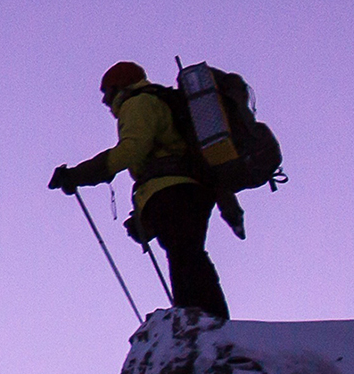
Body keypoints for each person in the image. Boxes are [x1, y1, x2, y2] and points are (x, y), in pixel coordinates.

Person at [49, 60, 230, 319]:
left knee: (184, 256)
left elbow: (132, 150)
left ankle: (203, 321)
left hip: (172, 191)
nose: (104, 101)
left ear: (119, 86)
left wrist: (79, 174)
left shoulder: (138, 103)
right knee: (185, 253)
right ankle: (202, 319)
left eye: (106, 92)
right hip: (187, 189)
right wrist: (144, 216)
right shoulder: (155, 101)